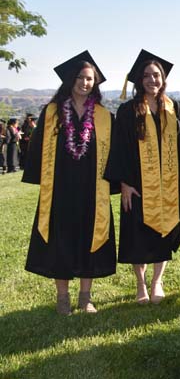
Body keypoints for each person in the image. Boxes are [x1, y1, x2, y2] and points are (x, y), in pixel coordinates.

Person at [22, 51, 117, 315]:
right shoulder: (52, 113)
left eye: (90, 79)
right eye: (80, 78)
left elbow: (114, 154)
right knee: (60, 240)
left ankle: (85, 297)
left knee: (90, 238)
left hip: (92, 188)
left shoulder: (104, 117)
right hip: (61, 187)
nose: (85, 83)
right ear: (70, 80)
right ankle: (62, 297)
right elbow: (38, 148)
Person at [105, 50, 180, 304]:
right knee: (137, 236)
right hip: (137, 184)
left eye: (156, 75)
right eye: (146, 76)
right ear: (139, 81)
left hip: (168, 183)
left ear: (163, 78)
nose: (152, 80)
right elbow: (119, 149)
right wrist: (123, 184)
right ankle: (140, 284)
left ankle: (157, 282)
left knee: (163, 235)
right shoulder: (127, 110)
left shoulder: (175, 107)